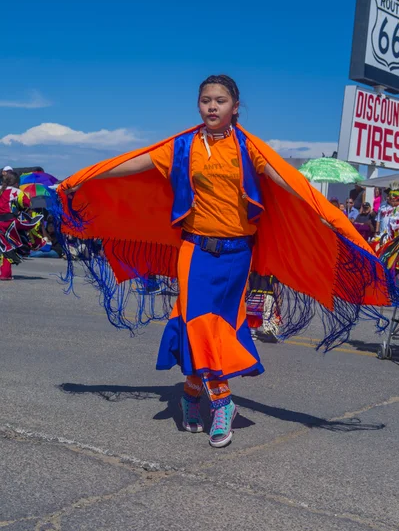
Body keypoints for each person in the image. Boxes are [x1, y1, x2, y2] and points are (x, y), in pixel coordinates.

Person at [57, 74, 396, 449]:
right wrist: (83, 178)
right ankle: (221, 401)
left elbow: (285, 180)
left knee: (204, 324)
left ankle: (189, 396)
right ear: (199, 106)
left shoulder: (247, 148)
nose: (212, 106)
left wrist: (318, 211)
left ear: (236, 107)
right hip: (195, 249)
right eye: (206, 100)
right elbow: (136, 164)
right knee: (202, 324)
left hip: (238, 254)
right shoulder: (183, 146)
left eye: (220, 100)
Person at [0, 171, 44, 279]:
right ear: (16, 183)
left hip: (1, 224)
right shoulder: (17, 192)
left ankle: (5, 274)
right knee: (32, 223)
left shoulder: (1, 190)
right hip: (10, 223)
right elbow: (28, 204)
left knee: (5, 248)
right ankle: (35, 244)